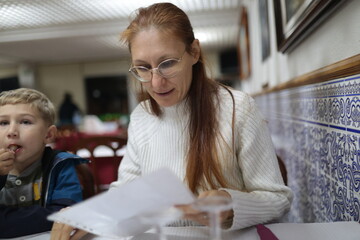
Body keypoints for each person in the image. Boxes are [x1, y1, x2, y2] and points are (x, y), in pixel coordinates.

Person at [51, 2, 293, 239]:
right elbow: (128, 191)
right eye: (143, 68)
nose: (156, 83)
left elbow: (277, 199)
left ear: (194, 52)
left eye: (167, 64)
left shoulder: (238, 108)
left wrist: (231, 205)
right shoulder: (142, 115)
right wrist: (91, 215)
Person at [0, 88, 88, 238]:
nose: (12, 131)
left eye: (25, 122)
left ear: (48, 135)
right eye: (3, 123)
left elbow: (65, 214)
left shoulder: (60, 165)